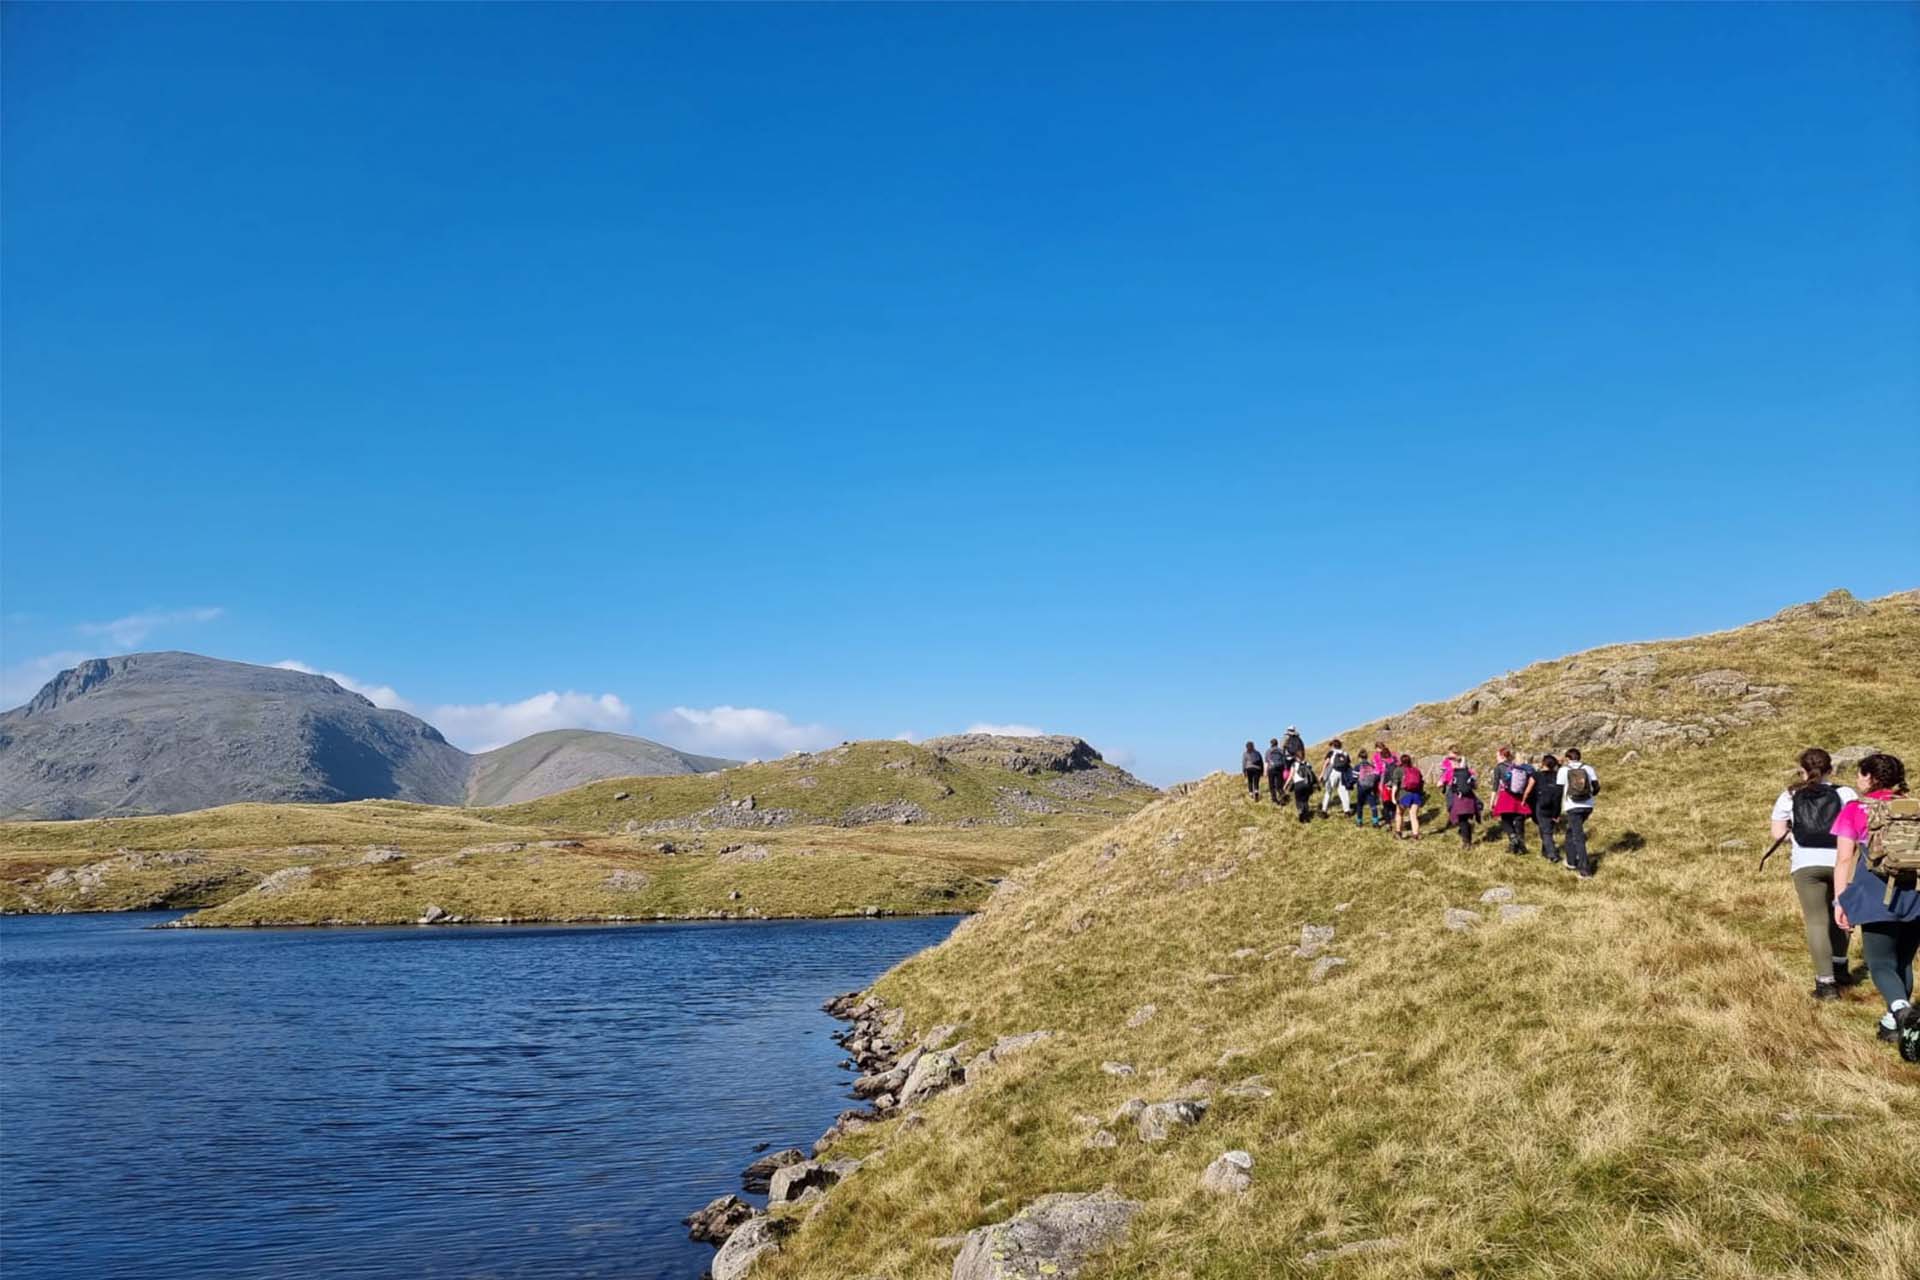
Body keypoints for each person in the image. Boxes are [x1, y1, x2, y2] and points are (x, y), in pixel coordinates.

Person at [1831, 752, 1920, 1051]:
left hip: (1875, 894)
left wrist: (1840, 901)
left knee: (1880, 962)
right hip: (1916, 892)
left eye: (1859, 775)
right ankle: (1893, 1025)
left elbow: (1844, 859)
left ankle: (1901, 1010)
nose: (1857, 780)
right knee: (1903, 960)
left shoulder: (1855, 809)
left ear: (1870, 777)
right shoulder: (1915, 806)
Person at [1770, 747, 1858, 1000]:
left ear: (1802, 770)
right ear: (1831, 769)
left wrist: (1796, 836)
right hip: (1841, 861)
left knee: (1816, 921)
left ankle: (1826, 984)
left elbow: (1778, 833)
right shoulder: (1845, 793)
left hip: (1806, 864)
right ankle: (1841, 967)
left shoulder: (1789, 795)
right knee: (1841, 914)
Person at [1556, 749, 1600, 877]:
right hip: (1587, 806)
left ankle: (1585, 870)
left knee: (1578, 837)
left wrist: (1556, 810)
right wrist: (1589, 797)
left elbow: (1558, 791)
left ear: (1567, 758)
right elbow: (1597, 787)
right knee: (1572, 832)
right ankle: (1571, 862)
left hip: (1572, 806)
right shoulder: (1588, 768)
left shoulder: (1563, 770)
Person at [1493, 747, 1534, 854]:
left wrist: (1492, 801)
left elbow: (1495, 785)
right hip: (1520, 796)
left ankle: (1513, 838)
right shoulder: (1517, 766)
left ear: (1502, 756)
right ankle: (1520, 846)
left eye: (1497, 755)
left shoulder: (1499, 767)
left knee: (1506, 820)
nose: (1496, 758)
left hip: (1505, 796)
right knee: (1519, 820)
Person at [1529, 753, 1562, 864]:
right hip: (1555, 805)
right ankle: (1545, 851)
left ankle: (1552, 854)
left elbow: (1529, 789)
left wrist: (1524, 800)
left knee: (1546, 831)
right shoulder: (1558, 775)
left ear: (1543, 763)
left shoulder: (1537, 775)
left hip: (1541, 804)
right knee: (1546, 828)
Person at [1447, 762, 1481, 847]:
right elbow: (1475, 786)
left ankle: (1466, 842)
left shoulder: (1454, 774)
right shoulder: (1469, 773)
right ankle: (1468, 841)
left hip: (1459, 800)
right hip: (1470, 800)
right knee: (1466, 821)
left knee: (1462, 821)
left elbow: (1451, 787)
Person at [1321, 739, 1354, 816]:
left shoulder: (1331, 752)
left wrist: (1322, 774)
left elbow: (1326, 763)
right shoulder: (1345, 753)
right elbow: (1348, 763)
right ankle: (1347, 810)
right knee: (1344, 792)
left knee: (1328, 791)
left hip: (1333, 773)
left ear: (1333, 745)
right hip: (1343, 774)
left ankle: (1324, 810)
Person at [1396, 753, 1425, 840]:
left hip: (1404, 795)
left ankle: (1398, 833)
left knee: (1399, 813)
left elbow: (1394, 785)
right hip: (1416, 795)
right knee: (1413, 815)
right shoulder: (1416, 770)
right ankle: (1416, 834)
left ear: (1401, 761)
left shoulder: (1399, 770)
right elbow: (1421, 782)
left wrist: (1394, 796)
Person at [1353, 751, 1384, 828]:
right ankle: (1375, 822)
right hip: (1370, 788)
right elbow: (1377, 777)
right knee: (1373, 805)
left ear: (1359, 758)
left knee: (1360, 805)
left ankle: (1359, 822)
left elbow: (1354, 778)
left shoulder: (1357, 767)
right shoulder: (1372, 766)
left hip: (1361, 788)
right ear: (1366, 757)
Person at [1287, 754, 1317, 823]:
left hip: (1298, 784)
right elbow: (1312, 773)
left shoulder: (1294, 764)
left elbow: (1291, 776)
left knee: (1298, 800)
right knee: (1305, 800)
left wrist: (1286, 785)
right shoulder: (1307, 763)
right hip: (1307, 784)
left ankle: (1301, 812)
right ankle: (1307, 816)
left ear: (1296, 758)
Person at [1439, 748, 1461, 827]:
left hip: (1459, 784)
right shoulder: (1446, 762)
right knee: (1450, 803)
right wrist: (1442, 780)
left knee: (1459, 802)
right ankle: (1453, 819)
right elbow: (1444, 772)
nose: (1450, 756)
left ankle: (1457, 820)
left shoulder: (1461, 762)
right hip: (1449, 784)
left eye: (1452, 754)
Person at [1264, 738, 1287, 804]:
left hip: (1271, 769)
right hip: (1280, 768)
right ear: (1277, 743)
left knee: (1271, 785)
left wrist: (1265, 772)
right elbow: (1284, 760)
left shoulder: (1268, 751)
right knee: (1279, 785)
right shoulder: (1281, 750)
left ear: (1271, 744)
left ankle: (1274, 800)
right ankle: (1282, 797)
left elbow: (1266, 762)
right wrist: (1285, 768)